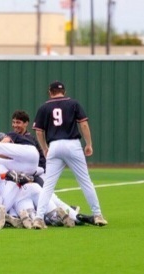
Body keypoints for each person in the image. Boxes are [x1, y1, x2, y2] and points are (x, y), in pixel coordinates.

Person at [31, 80, 108, 229]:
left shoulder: (44, 107)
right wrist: (89, 144)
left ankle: (38, 218)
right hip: (72, 144)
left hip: (54, 145)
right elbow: (83, 124)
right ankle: (97, 215)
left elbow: (39, 131)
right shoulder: (73, 104)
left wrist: (45, 148)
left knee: (48, 185)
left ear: (50, 92)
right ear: (64, 92)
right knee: (85, 181)